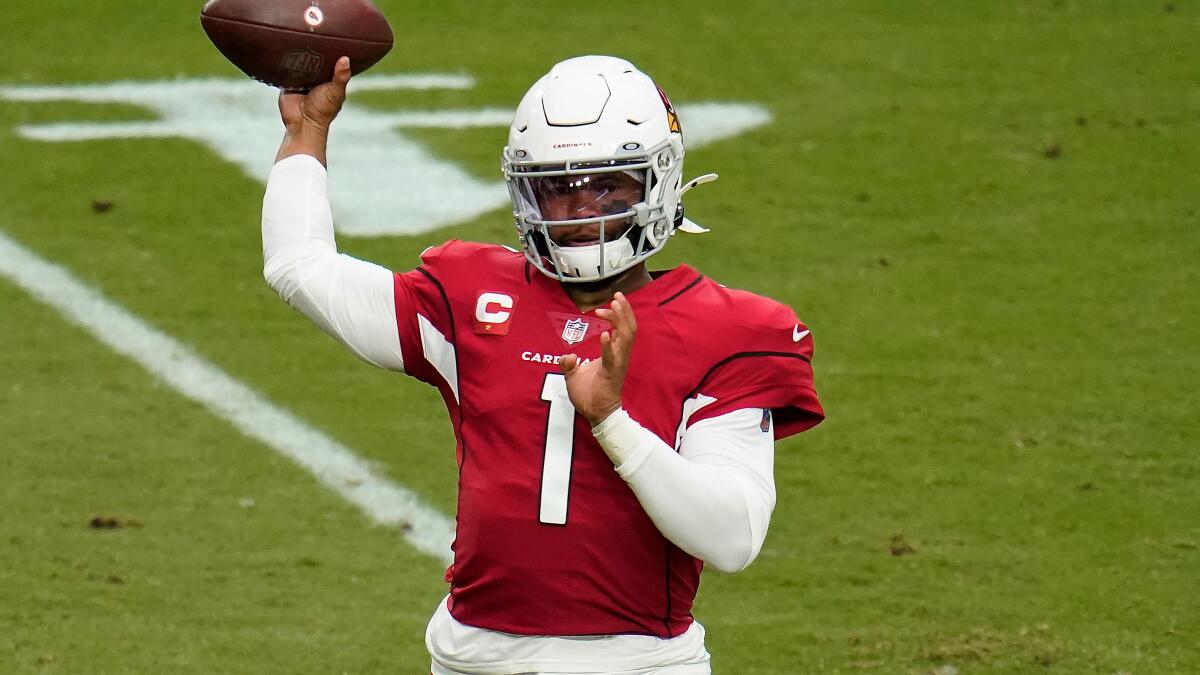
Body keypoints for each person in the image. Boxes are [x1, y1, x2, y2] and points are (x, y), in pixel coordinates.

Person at [262, 54, 824, 674]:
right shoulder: (474, 295)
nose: (582, 211)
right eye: (556, 188)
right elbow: (300, 267)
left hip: (634, 662)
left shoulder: (729, 329)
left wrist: (612, 420)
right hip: (470, 655)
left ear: (658, 182)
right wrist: (306, 130)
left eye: (608, 185)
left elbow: (731, 539)